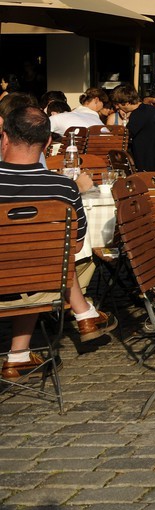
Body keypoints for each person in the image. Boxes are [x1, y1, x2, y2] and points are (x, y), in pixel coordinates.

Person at [0, 104, 116, 378]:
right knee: (42, 260)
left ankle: (20, 354)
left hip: (13, 279)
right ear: (48, 142)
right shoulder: (63, 188)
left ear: (4, 137)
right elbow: (74, 248)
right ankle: (82, 315)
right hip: (34, 283)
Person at [112, 85, 155, 172]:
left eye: (118, 105)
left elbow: (126, 134)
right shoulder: (154, 110)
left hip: (148, 161)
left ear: (126, 103)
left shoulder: (138, 114)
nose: (117, 108)